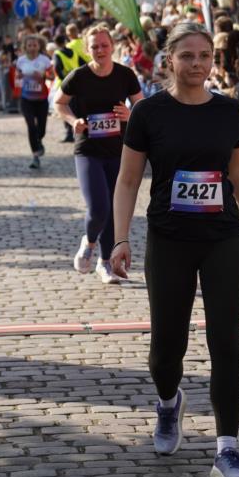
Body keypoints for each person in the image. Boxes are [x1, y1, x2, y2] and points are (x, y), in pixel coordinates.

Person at [111, 21, 239, 477]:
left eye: (205, 56)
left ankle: (227, 449)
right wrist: (120, 239)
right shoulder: (149, 113)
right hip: (170, 239)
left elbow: (237, 167)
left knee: (226, 342)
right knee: (165, 350)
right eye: (187, 56)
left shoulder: (229, 110)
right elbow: (128, 180)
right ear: (169, 59)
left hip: (223, 238)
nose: (197, 64)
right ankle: (169, 402)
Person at [54, 24, 143, 284]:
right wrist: (73, 121)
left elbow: (142, 106)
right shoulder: (79, 76)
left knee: (114, 209)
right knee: (98, 207)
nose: (100, 50)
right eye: (95, 46)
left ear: (112, 47)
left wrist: (131, 114)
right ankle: (89, 242)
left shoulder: (125, 75)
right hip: (88, 150)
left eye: (104, 45)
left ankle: (105, 264)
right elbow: (59, 103)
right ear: (87, 49)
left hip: (118, 150)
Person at [15, 33, 53, 169]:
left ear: (39, 46)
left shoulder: (45, 60)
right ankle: (35, 156)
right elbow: (17, 78)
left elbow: (52, 76)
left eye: (34, 45)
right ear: (25, 47)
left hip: (42, 99)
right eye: (29, 45)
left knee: (41, 129)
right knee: (31, 126)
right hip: (26, 99)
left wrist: (43, 75)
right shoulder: (21, 61)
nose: (32, 48)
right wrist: (19, 77)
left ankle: (39, 140)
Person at [53, 28, 90, 142]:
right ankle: (79, 132)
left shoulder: (57, 53)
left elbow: (57, 68)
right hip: (76, 83)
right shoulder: (73, 52)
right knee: (75, 108)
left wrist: (64, 80)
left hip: (63, 84)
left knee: (65, 108)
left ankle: (69, 133)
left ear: (56, 43)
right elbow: (82, 63)